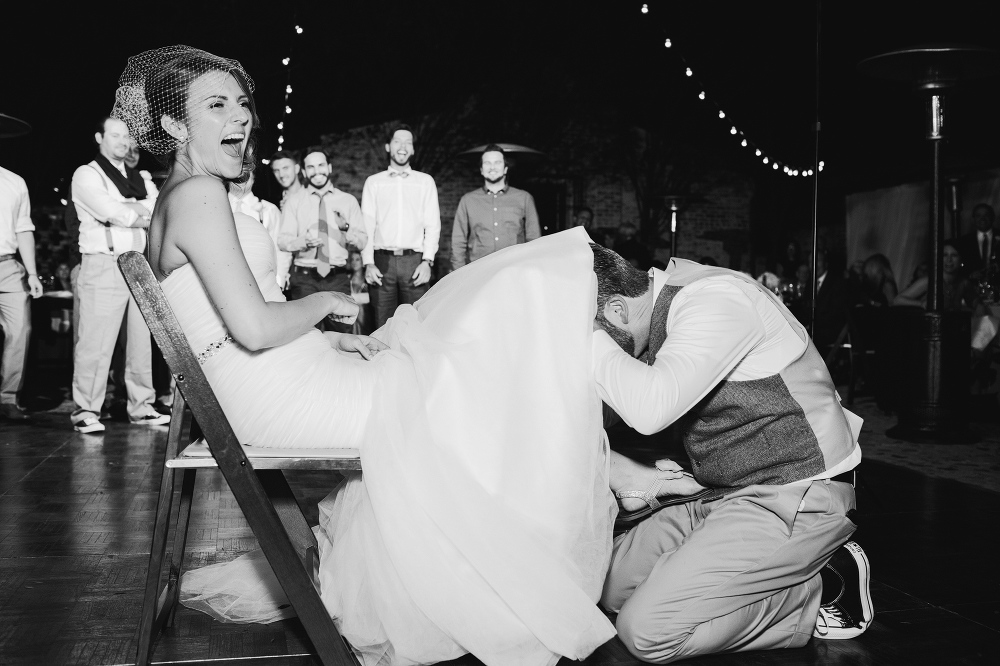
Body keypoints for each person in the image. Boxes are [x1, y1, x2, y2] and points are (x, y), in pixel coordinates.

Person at [115, 46, 616, 666]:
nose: (239, 118)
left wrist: (326, 340)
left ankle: (487, 554)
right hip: (272, 395)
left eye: (242, 103)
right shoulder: (199, 196)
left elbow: (224, 325)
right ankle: (502, 563)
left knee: (435, 362)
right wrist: (325, 302)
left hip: (269, 378)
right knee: (455, 379)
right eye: (215, 106)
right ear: (173, 126)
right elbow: (253, 326)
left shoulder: (180, 197)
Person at [589, 244, 872, 662]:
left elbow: (650, 408)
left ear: (615, 310)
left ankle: (821, 585)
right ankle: (763, 567)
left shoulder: (715, 300)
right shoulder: (657, 320)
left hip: (795, 493)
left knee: (647, 632)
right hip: (719, 491)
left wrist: (587, 337)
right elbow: (609, 407)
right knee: (606, 587)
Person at [69, 117, 168, 434]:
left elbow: (157, 210)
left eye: (127, 136)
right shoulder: (87, 174)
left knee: (140, 342)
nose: (122, 141)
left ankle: (142, 406)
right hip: (104, 263)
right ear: (100, 137)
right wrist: (136, 210)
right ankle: (85, 409)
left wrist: (133, 209)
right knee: (96, 342)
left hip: (138, 264)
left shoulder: (140, 175)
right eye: (115, 135)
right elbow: (113, 211)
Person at [361, 125, 440, 328]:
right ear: (388, 146)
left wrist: (427, 261)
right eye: (398, 141)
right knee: (381, 324)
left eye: (408, 142)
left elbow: (432, 224)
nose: (403, 146)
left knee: (417, 324)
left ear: (412, 149)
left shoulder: (425, 182)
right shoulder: (373, 183)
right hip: (381, 262)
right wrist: (368, 263)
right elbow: (366, 226)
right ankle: (382, 359)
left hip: (414, 262)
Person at [278, 148, 366, 330]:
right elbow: (282, 240)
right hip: (304, 278)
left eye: (321, 165)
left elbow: (362, 241)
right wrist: (303, 242)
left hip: (338, 277)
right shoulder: (294, 202)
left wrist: (345, 230)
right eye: (311, 167)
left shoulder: (348, 201)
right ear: (303, 171)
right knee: (307, 337)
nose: (317, 171)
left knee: (341, 334)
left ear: (329, 167)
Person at [450, 144, 539, 269]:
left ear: (505, 169)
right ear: (481, 169)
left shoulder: (524, 198)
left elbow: (534, 240)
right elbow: (458, 241)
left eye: (497, 162)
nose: (492, 167)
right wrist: (458, 274)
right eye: (487, 163)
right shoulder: (468, 201)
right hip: (478, 272)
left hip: (514, 270)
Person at [0, 165, 44, 421]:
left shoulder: (14, 181)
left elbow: (23, 227)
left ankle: (7, 398)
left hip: (7, 264)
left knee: (20, 329)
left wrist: (31, 272)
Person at [230, 171, 290, 290]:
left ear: (253, 179)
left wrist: (279, 280)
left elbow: (280, 248)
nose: (240, 178)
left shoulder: (269, 210)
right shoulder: (214, 209)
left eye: (245, 175)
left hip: (262, 282)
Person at [894, 240, 982, 312]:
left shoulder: (963, 283)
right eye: (945, 255)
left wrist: (979, 305)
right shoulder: (929, 281)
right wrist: (921, 304)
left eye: (954, 255)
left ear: (960, 260)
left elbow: (974, 300)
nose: (949, 260)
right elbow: (897, 300)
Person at [955, 203, 998, 283]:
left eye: (986, 215)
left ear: (993, 217)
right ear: (973, 219)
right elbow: (958, 268)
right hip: (972, 287)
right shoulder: (963, 241)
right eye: (978, 216)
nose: (983, 219)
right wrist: (970, 275)